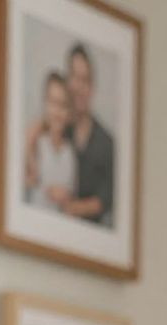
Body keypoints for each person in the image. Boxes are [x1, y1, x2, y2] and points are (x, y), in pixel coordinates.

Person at [63, 41, 114, 229]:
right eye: (75, 78)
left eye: (85, 80)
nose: (79, 87)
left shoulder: (106, 142)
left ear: (92, 87)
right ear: (67, 81)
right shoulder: (59, 131)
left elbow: (106, 199)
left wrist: (73, 208)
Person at [23, 69, 76, 213]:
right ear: (44, 103)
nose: (57, 111)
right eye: (52, 102)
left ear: (70, 111)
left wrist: (64, 197)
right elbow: (27, 178)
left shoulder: (69, 152)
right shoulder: (37, 142)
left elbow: (70, 194)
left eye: (63, 105)